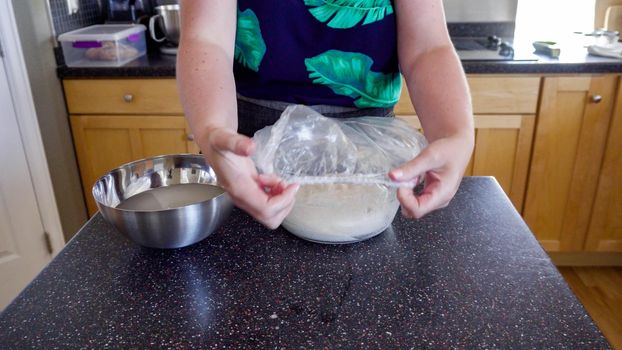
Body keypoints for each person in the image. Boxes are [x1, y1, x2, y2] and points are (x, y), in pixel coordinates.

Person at [176, 0, 474, 229]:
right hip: (244, 149)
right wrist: (212, 127)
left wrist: (455, 133)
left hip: (369, 150)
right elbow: (207, 38)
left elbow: (428, 47)